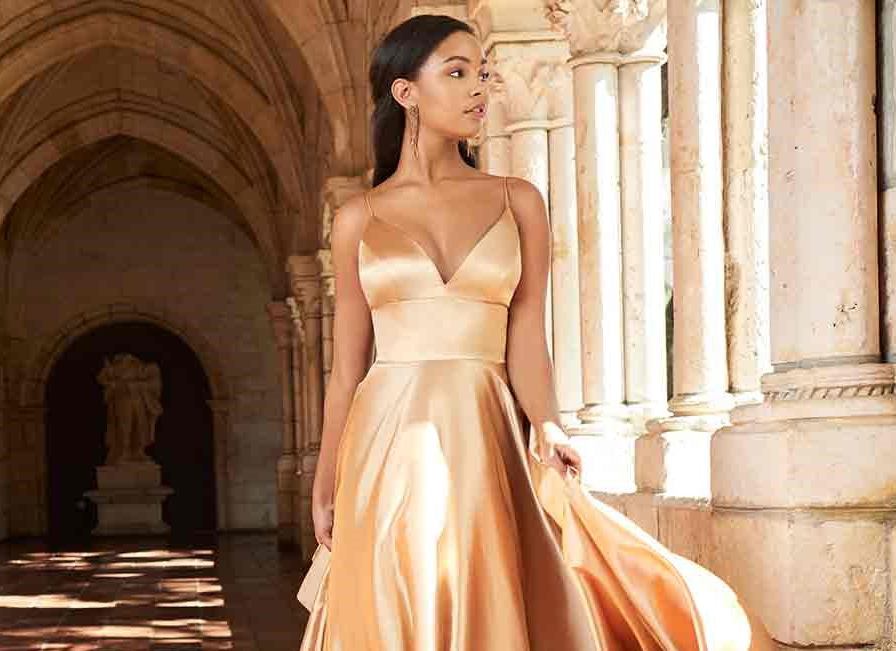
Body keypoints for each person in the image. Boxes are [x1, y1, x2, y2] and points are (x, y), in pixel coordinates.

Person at [298, 14, 772, 651]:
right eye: (457, 72)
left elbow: (526, 333)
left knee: (488, 584)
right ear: (405, 92)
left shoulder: (518, 199)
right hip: (386, 437)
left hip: (485, 423)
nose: (479, 88)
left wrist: (548, 424)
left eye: (483, 72)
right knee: (399, 594)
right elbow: (346, 370)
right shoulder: (358, 218)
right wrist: (326, 474)